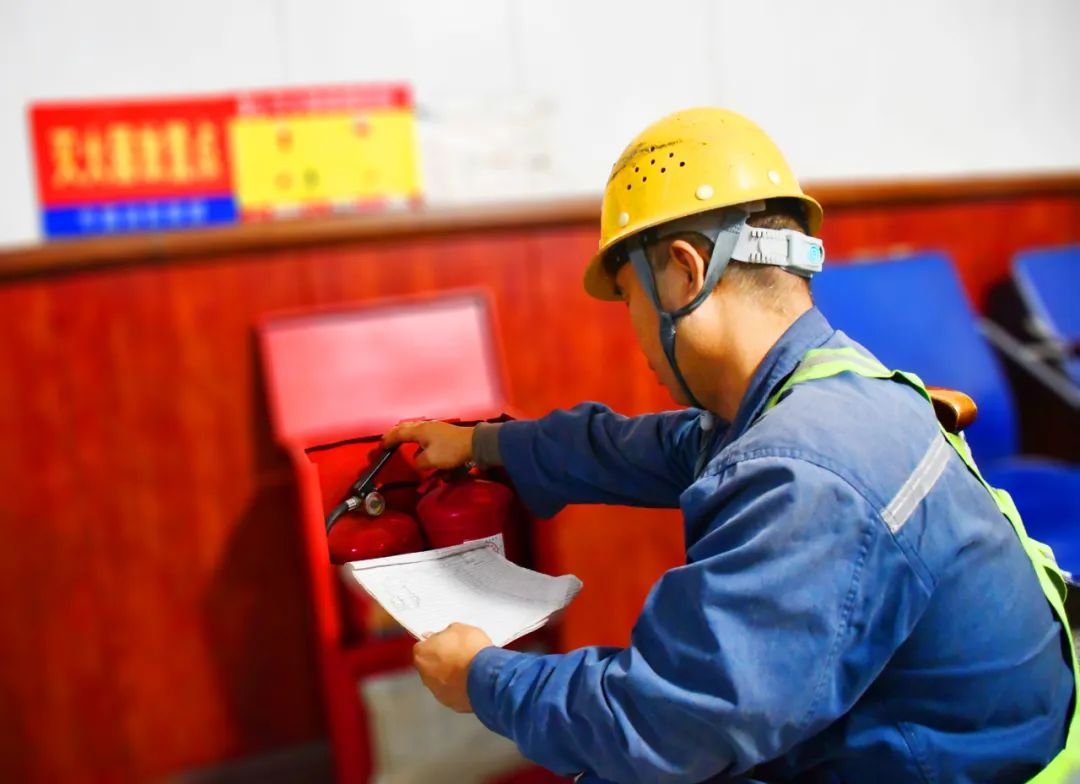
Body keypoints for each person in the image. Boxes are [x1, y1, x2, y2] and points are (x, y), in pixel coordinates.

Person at [383, 108, 1078, 783]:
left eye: (628, 295)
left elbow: (660, 724)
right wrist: (485, 444)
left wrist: (482, 679)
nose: (632, 323)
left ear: (685, 273)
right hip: (961, 736)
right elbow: (647, 447)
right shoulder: (830, 383)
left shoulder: (801, 474)